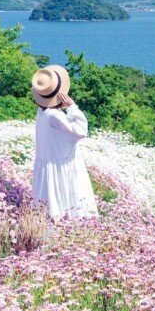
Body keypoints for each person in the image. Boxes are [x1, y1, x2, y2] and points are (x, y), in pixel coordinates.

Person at [29, 64, 98, 220]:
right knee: (68, 201)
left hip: (48, 162)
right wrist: (72, 107)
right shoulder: (55, 115)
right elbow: (80, 131)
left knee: (49, 199)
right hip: (61, 164)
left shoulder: (42, 111)